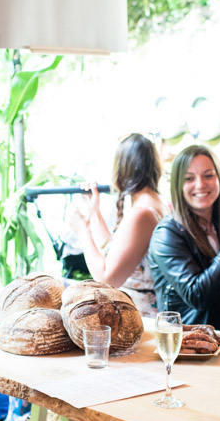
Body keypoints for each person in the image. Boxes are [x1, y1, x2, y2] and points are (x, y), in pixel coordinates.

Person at [148, 144, 220, 333]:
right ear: (178, 185)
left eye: (208, 175)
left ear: (219, 179)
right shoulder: (167, 234)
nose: (200, 184)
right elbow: (197, 295)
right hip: (194, 345)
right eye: (189, 178)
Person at [69, 133, 169, 316]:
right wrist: (94, 211)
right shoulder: (155, 204)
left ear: (122, 168)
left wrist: (82, 231)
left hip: (141, 316)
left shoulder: (141, 213)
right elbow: (114, 251)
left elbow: (107, 277)